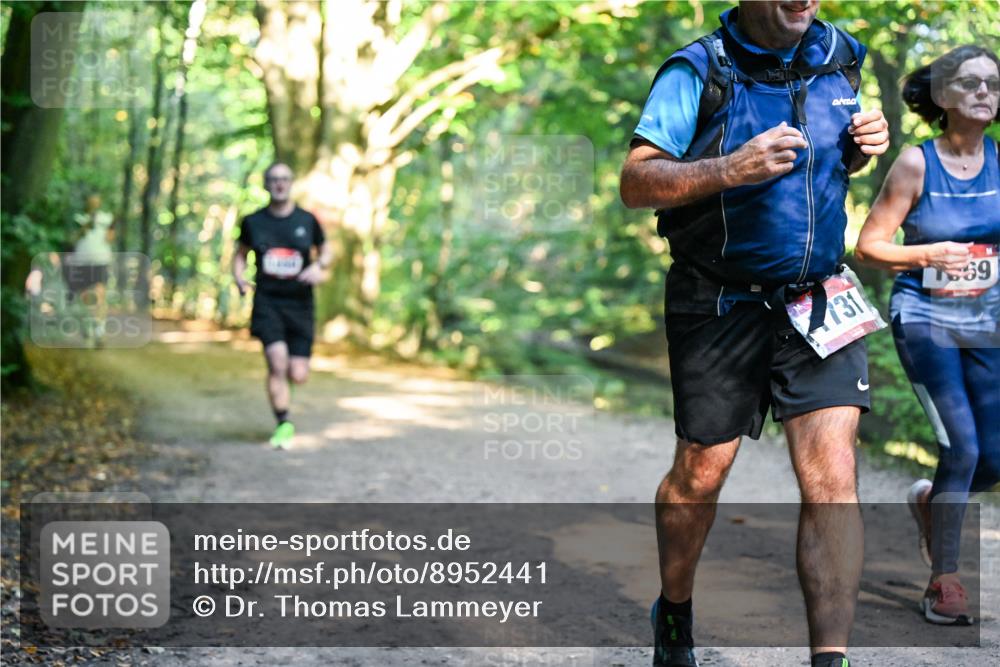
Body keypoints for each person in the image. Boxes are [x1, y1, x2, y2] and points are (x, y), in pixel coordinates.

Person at [619, 2, 889, 666]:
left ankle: (832, 657)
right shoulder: (698, 69)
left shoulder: (840, 56)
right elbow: (635, 181)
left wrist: (854, 153)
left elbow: (822, 171)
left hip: (819, 298)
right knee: (701, 472)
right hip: (717, 297)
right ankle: (675, 611)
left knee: (833, 474)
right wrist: (729, 168)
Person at [855, 45, 999, 626]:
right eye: (970, 83)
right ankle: (945, 580)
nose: (985, 92)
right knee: (961, 448)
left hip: (987, 321)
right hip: (925, 319)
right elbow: (870, 245)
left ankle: (926, 502)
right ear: (942, 97)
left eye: (993, 82)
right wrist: (924, 253)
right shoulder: (916, 164)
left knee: (992, 457)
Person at [233, 162, 333, 449]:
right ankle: (283, 423)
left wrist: (319, 266)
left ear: (291, 183)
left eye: (284, 179)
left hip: (301, 304)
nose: (279, 184)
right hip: (268, 302)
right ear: (266, 184)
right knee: (277, 363)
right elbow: (240, 254)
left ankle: (286, 390)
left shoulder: (307, 220)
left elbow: (326, 250)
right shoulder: (253, 222)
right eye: (273, 179)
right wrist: (239, 278)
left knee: (297, 374)